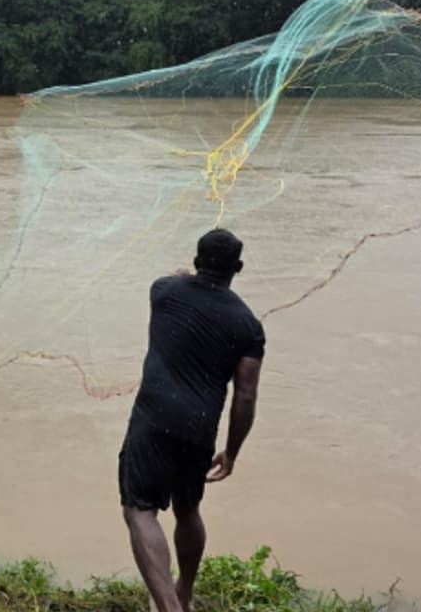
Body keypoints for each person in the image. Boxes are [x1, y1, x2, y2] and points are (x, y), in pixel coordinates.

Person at [118, 229, 265, 612]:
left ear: (198, 261)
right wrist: (231, 452)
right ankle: (183, 593)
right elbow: (245, 395)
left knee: (140, 509)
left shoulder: (163, 292)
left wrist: (186, 275)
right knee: (187, 508)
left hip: (152, 420)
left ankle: (168, 606)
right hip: (199, 430)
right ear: (238, 268)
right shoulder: (248, 326)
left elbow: (176, 278)